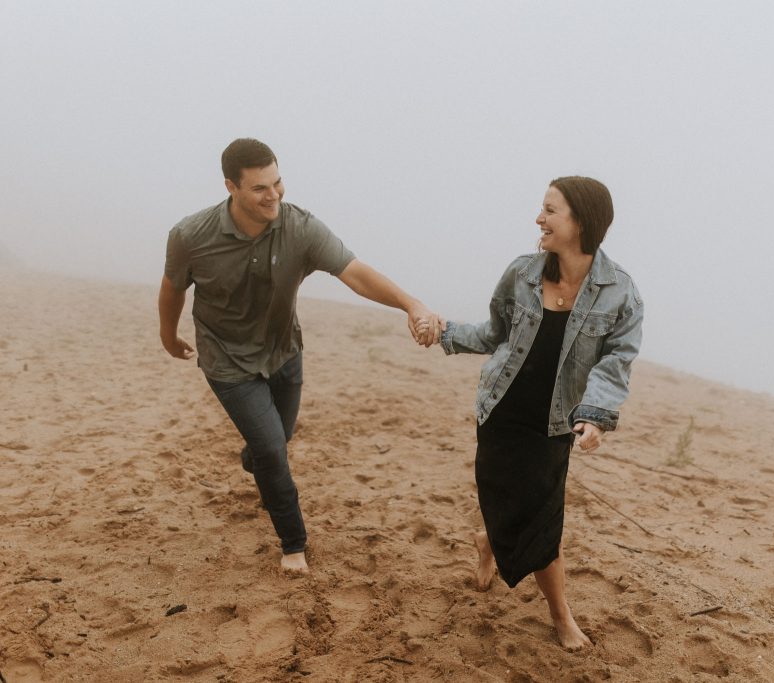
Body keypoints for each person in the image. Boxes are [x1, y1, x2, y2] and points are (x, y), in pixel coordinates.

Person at [158, 138, 441, 574]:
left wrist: (412, 304)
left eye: (277, 183)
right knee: (273, 451)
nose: (273, 195)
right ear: (231, 187)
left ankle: (257, 459)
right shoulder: (191, 236)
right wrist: (167, 334)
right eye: (259, 188)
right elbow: (173, 287)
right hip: (227, 358)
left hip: (283, 351)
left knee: (274, 443)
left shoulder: (301, 228)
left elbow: (357, 274)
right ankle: (294, 545)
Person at [433, 176, 642, 649]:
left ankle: (560, 616)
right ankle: (490, 543)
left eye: (550, 210)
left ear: (581, 222)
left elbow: (616, 362)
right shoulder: (523, 272)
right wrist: (444, 333)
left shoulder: (619, 292)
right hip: (502, 411)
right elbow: (493, 335)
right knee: (506, 500)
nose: (539, 219)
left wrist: (594, 415)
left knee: (544, 524)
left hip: (554, 423)